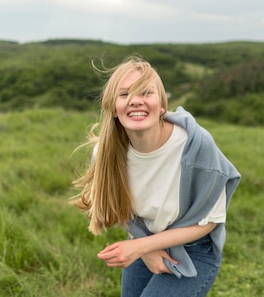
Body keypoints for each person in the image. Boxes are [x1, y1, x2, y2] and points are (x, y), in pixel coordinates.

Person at [71, 55, 241, 297]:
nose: (136, 101)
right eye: (125, 94)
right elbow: (118, 206)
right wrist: (145, 249)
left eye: (146, 93)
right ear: (113, 108)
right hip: (144, 236)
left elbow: (210, 221)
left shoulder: (195, 146)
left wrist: (140, 247)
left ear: (162, 105)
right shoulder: (105, 154)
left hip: (194, 248)